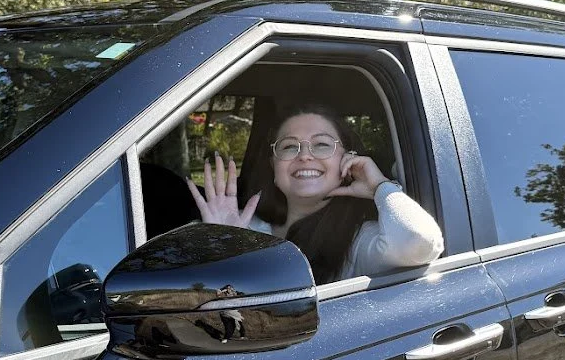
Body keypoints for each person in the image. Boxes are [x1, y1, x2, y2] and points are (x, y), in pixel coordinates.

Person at [185, 103, 444, 284]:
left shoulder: (359, 242)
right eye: (289, 147)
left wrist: (380, 186)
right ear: (274, 167)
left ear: (349, 160)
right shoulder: (242, 227)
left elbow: (418, 242)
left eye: (322, 144)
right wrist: (220, 245)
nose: (305, 155)